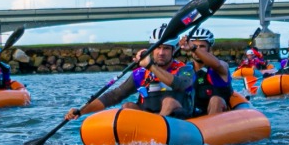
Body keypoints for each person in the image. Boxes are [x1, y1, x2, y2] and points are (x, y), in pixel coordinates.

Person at [63, 27, 195, 122]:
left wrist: (150, 66)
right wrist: (81, 111)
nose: (161, 53)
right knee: (127, 106)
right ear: (151, 50)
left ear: (173, 50)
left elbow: (180, 85)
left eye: (166, 48)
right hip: (149, 119)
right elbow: (113, 96)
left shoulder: (185, 69)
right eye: (157, 48)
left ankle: (158, 126)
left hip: (177, 118)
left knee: (169, 102)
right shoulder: (141, 74)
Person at [180, 28, 235, 116]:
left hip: (217, 115)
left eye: (202, 46)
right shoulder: (185, 69)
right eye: (195, 46)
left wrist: (194, 48)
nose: (198, 50)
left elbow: (217, 65)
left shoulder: (221, 66)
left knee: (216, 100)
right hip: (194, 116)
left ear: (209, 49)